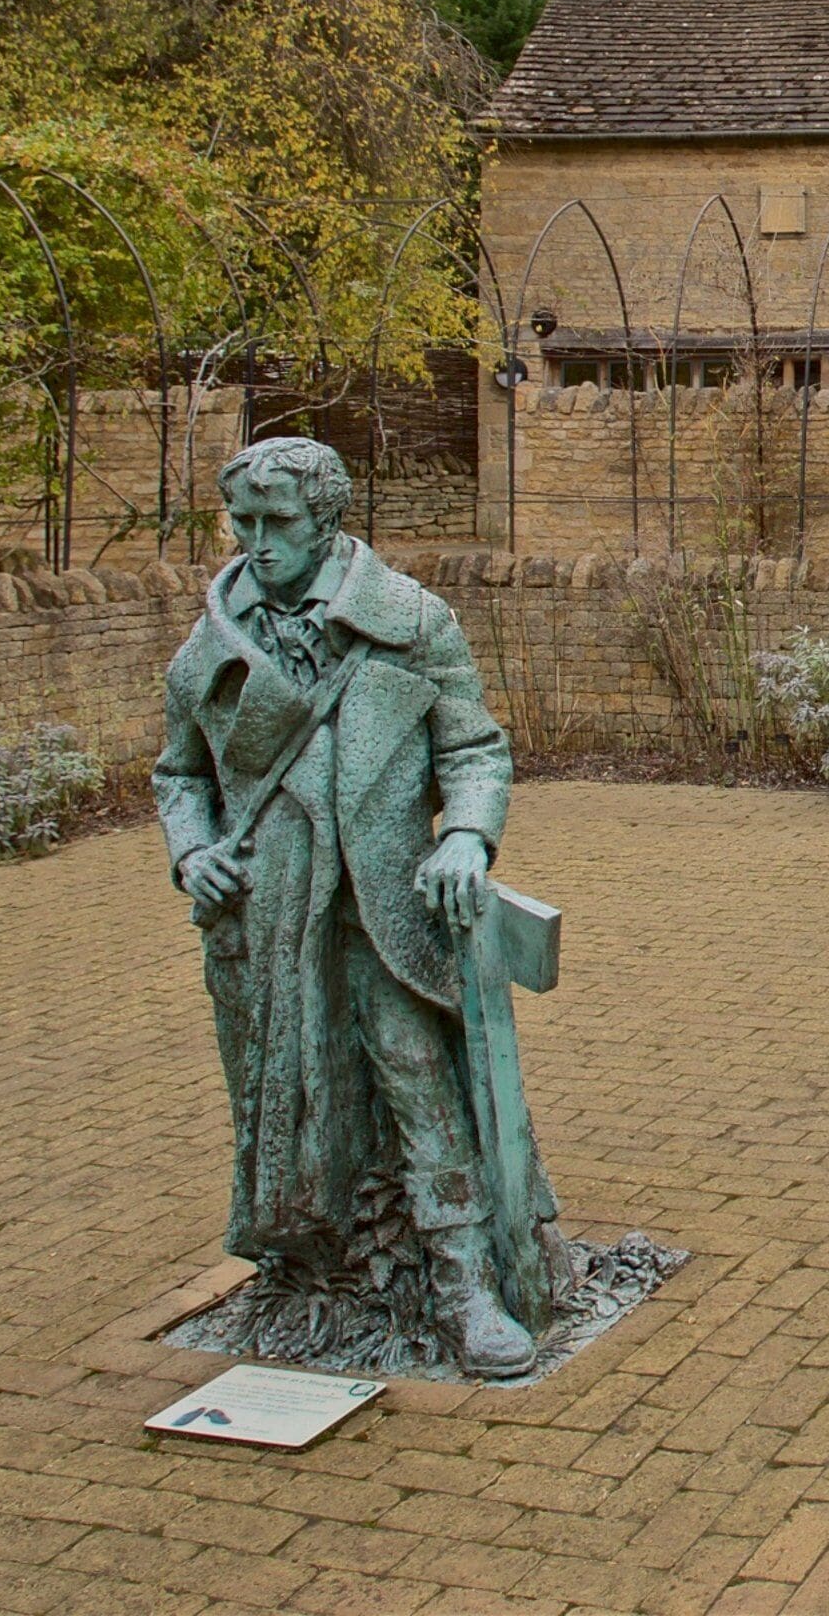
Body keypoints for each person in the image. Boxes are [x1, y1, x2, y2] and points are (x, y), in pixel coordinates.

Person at [155, 436, 540, 1376]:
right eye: (242, 521)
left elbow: (474, 749)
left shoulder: (410, 620)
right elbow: (179, 775)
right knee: (287, 1092)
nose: (257, 542)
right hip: (269, 909)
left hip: (382, 904)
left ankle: (464, 1283)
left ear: (326, 520)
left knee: (418, 1080)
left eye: (278, 521)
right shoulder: (214, 642)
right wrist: (193, 853)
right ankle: (311, 1272)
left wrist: (465, 836)